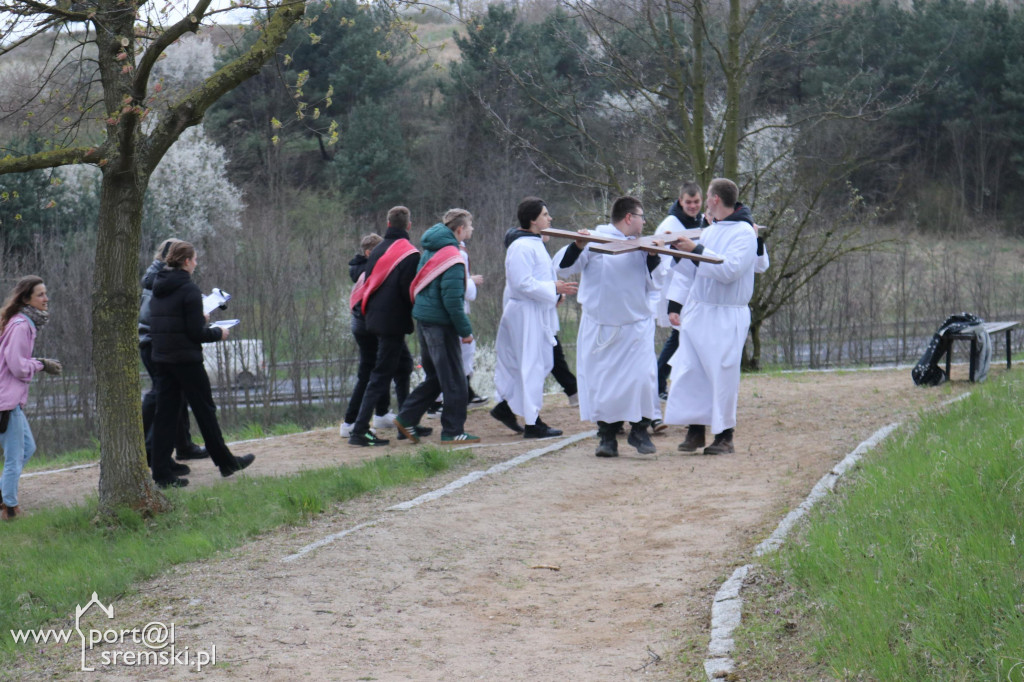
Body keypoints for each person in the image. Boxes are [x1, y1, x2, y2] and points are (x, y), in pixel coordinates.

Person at [555, 196, 662, 457]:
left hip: (635, 327)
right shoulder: (594, 239)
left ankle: (640, 430)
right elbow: (562, 268)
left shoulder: (642, 245)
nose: (644, 222)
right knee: (603, 385)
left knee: (641, 380)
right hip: (602, 328)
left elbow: (655, 282)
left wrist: (653, 255)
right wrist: (578, 245)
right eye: (641, 216)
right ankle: (607, 436)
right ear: (629, 217)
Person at [663, 178, 762, 455]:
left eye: (707, 195)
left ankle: (724, 435)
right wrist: (676, 252)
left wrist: (695, 250)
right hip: (699, 310)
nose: (705, 200)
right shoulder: (709, 230)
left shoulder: (744, 233)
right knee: (691, 371)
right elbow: (693, 272)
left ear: (716, 199)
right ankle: (695, 430)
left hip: (726, 313)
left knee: (722, 373)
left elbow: (729, 271)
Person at [149, 241, 255, 487]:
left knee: (164, 416)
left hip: (163, 360)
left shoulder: (159, 286)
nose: (196, 263)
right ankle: (226, 462)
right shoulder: (189, 290)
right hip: (187, 361)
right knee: (205, 411)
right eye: (195, 259)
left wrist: (199, 316)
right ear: (186, 261)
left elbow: (171, 322)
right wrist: (218, 332)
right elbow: (196, 333)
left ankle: (161, 473)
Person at [491, 197, 577, 438]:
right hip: (524, 314)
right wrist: (553, 289)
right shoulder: (521, 247)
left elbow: (540, 277)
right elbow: (522, 284)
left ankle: (509, 408)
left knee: (542, 363)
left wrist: (554, 292)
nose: (550, 218)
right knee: (530, 366)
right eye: (545, 215)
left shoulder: (534, 242)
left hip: (536, 311)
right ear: (532, 220)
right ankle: (532, 422)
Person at [393, 209, 480, 444]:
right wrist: (465, 332)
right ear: (460, 229)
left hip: (424, 320)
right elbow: (453, 301)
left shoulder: (431, 248)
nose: (472, 230)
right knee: (454, 379)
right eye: (470, 226)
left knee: (437, 378)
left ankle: (406, 417)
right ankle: (453, 430)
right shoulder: (453, 256)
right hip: (441, 326)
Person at [347, 206, 422, 447]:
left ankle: (406, 422)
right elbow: (408, 290)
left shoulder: (377, 249)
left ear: (388, 224)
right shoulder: (410, 253)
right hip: (393, 322)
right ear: (408, 226)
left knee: (404, 366)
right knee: (380, 376)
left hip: (373, 318)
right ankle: (359, 430)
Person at [140, 238, 208, 473]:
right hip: (154, 342)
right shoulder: (157, 280)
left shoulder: (159, 276)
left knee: (174, 395)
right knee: (163, 396)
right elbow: (157, 316)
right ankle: (152, 451)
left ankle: (183, 445)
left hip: (156, 341)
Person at [0, 276, 62, 520]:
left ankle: (4, 494)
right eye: (40, 295)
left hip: (10, 399)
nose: (46, 299)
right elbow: (16, 365)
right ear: (26, 299)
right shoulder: (21, 325)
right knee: (14, 457)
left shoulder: (21, 322)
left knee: (28, 447)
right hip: (6, 401)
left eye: (46, 293)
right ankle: (11, 509)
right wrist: (41, 364)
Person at [339, 233, 410, 438]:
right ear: (370, 253)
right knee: (370, 372)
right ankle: (351, 422)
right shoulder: (368, 268)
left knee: (382, 368)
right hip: (368, 324)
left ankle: (381, 413)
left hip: (368, 322)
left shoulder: (365, 266)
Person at [653, 182, 709, 401]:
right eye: (688, 202)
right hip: (675, 287)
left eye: (696, 202)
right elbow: (662, 261)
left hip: (695, 286)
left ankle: (665, 381)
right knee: (678, 336)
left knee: (681, 338)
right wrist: (673, 302)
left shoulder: (702, 220)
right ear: (680, 201)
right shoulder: (670, 224)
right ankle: (659, 381)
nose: (693, 206)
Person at [459, 237, 488, 406]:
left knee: (464, 352)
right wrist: (472, 281)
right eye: (469, 225)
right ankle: (439, 401)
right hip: (456, 310)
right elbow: (463, 287)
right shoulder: (458, 252)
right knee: (464, 352)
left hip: (458, 309)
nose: (473, 230)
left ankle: (467, 394)